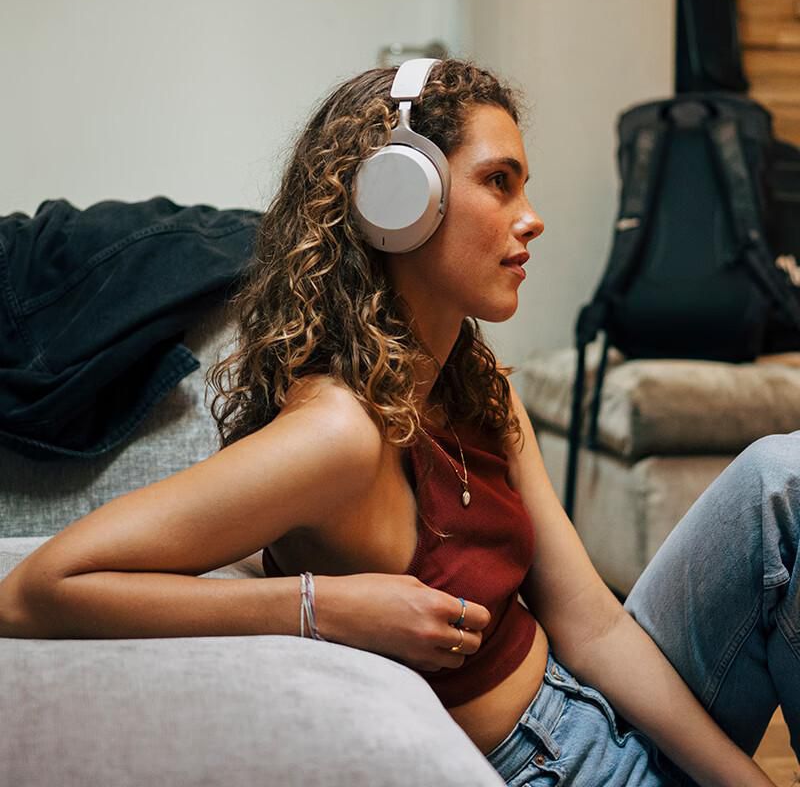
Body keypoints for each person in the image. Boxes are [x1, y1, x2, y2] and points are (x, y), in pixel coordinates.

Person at [0, 58, 797, 787]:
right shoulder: (338, 434)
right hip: (556, 769)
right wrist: (320, 607)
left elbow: (592, 627)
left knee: (780, 479)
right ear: (400, 199)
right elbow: (37, 591)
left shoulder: (475, 380)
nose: (532, 219)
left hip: (596, 707)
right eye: (499, 182)